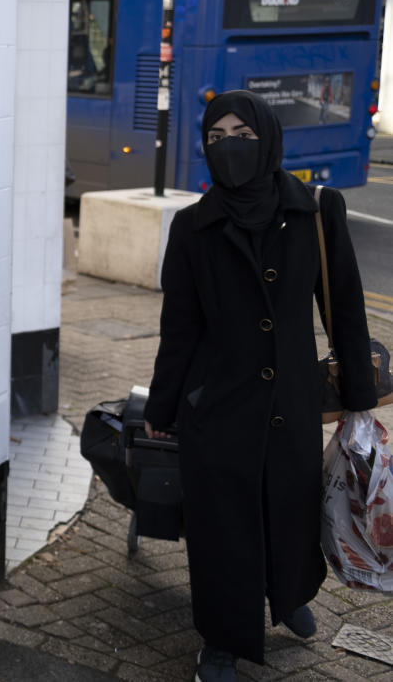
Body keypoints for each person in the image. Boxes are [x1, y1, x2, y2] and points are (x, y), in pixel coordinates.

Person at [142, 90, 376, 681]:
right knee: (222, 530)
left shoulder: (318, 211)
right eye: (215, 138)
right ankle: (221, 640)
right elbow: (180, 328)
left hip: (291, 405)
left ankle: (288, 596)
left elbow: (344, 309)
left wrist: (359, 401)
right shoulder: (193, 227)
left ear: (267, 138)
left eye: (240, 135)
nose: (228, 147)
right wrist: (164, 404)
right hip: (216, 408)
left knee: (291, 514)